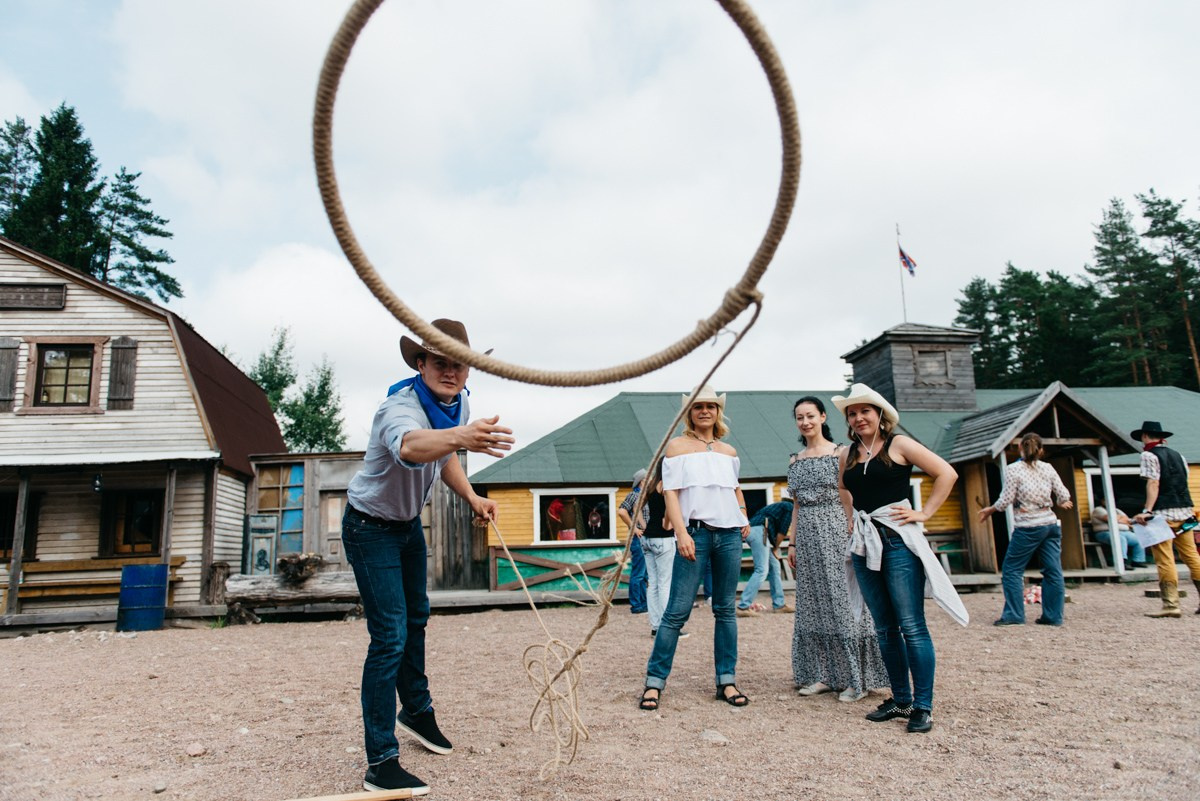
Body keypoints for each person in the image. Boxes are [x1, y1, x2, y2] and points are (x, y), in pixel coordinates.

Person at [343, 318, 515, 794]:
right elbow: (412, 446)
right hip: (369, 527)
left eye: (459, 365)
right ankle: (381, 761)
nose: (451, 372)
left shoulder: (456, 403)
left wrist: (473, 497)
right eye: (440, 362)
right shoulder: (397, 408)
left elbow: (444, 457)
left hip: (406, 527)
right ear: (420, 364)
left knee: (417, 618)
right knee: (389, 637)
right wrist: (461, 436)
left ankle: (416, 712)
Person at [834, 383, 966, 735]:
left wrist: (925, 513)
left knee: (911, 625)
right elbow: (844, 488)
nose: (858, 417)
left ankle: (923, 706)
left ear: (880, 415)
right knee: (884, 627)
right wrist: (850, 519)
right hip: (864, 543)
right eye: (852, 412)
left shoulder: (899, 445)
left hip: (897, 542)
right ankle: (901, 698)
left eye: (865, 411)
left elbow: (947, 473)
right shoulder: (846, 454)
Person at [639, 385, 750, 711]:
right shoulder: (676, 447)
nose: (705, 411)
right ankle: (654, 682)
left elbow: (734, 489)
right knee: (676, 611)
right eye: (698, 406)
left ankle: (726, 681)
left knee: (726, 610)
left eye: (711, 407)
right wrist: (682, 533)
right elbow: (670, 492)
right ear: (690, 413)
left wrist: (743, 514)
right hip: (696, 534)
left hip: (729, 535)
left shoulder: (729, 452)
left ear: (718, 413)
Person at [787, 396, 888, 704]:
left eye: (810, 416)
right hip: (806, 534)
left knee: (844, 601)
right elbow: (795, 504)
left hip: (835, 529)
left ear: (822, 417)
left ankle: (857, 678)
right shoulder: (795, 459)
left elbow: (851, 493)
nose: (805, 422)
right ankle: (822, 674)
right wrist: (791, 542)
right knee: (812, 603)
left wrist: (850, 527)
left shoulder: (841, 452)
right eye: (800, 417)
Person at [979, 433, 1074, 627]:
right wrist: (1060, 502)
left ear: (1020, 448)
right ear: (1041, 450)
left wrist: (990, 509)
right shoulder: (1048, 468)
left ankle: (1014, 614)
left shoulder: (1013, 469)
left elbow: (1006, 500)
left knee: (1012, 569)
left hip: (1028, 526)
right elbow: (1064, 494)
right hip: (1050, 524)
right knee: (1053, 571)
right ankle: (1053, 617)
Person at [1130, 421, 1200, 618]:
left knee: (1165, 559)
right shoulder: (1179, 455)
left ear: (1145, 436)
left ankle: (1171, 605)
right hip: (1185, 510)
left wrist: (1147, 510)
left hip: (1163, 513)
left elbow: (1153, 483)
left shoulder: (1148, 455)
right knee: (1192, 557)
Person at [627, 463, 682, 637]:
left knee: (653, 584)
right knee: (665, 583)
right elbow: (668, 513)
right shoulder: (668, 487)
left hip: (647, 538)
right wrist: (667, 525)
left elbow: (635, 508)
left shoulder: (650, 487)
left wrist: (643, 526)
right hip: (663, 538)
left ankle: (656, 626)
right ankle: (668, 628)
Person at [736, 495, 793, 616]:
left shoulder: (777, 507)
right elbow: (782, 532)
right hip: (760, 532)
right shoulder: (790, 508)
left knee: (774, 566)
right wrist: (776, 549)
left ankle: (779, 604)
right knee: (761, 570)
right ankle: (743, 606)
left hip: (754, 531)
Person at [616, 470, 649, 615]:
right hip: (639, 537)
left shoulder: (645, 496)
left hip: (646, 537)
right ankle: (636, 605)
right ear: (642, 481)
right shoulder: (634, 495)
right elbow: (622, 511)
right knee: (639, 573)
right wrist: (634, 528)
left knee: (644, 573)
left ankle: (643, 603)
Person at [1090, 499, 1148, 568]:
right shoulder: (1098, 509)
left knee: (1139, 538)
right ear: (1102, 501)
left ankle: (1138, 561)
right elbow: (1109, 518)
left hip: (1124, 532)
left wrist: (1119, 519)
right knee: (1120, 538)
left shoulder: (1117, 510)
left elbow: (1128, 520)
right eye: (1105, 500)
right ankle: (1122, 562)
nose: (1109, 501)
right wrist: (1120, 519)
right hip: (1104, 533)